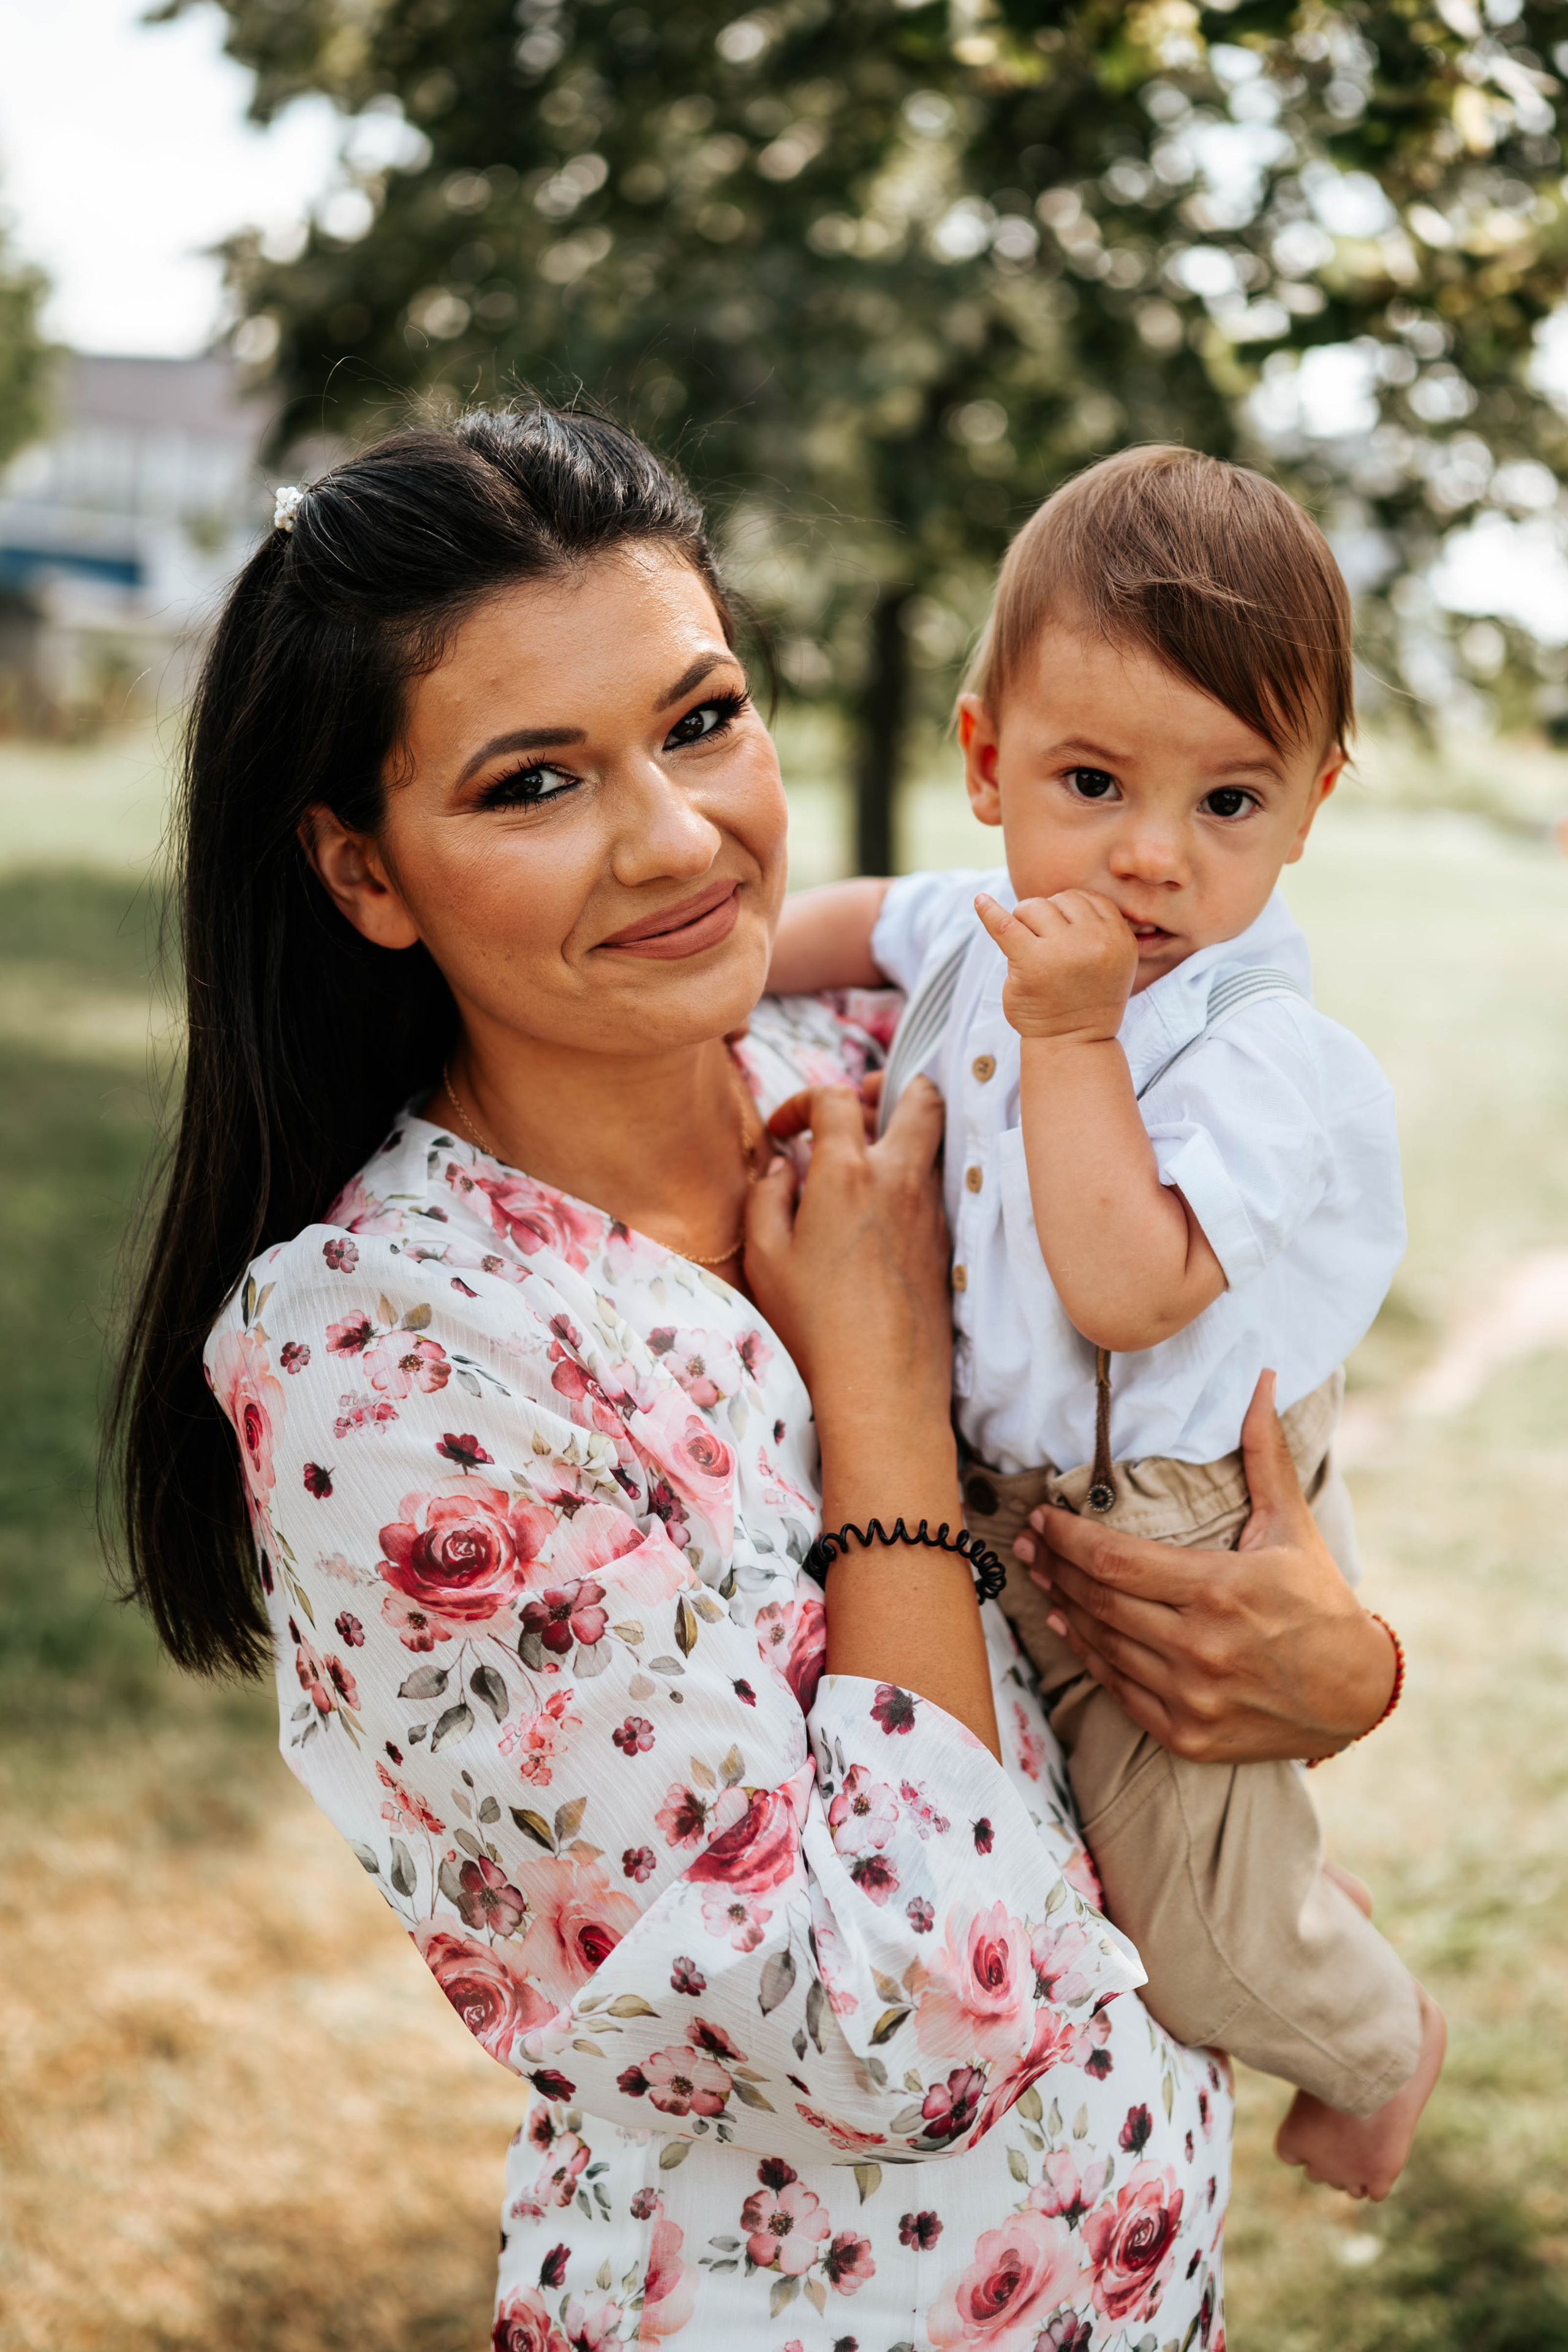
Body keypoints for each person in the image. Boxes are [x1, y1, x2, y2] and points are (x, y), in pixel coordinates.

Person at [108, 406, 1399, 2348]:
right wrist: (878, 1397)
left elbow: (1203, 1423)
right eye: (536, 781)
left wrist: (1345, 1670)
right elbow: (887, 2027)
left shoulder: (892, 1054)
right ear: (364, 871)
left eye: (700, 721)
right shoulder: (390, 1357)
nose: (675, 836)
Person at [767, 445, 1444, 2202]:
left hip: (1173, 1514)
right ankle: (1274, 1886)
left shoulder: (1256, 1052)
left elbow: (1130, 1284)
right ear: (986, 760)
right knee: (1112, 1848)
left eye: (1229, 802)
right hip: (1024, 1489)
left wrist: (1072, 1041)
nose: (1151, 859)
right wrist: (723, 977)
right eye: (1092, 782)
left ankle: (1381, 2045)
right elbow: (857, 927)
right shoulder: (981, 921)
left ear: (1309, 806)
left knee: (1184, 1934)